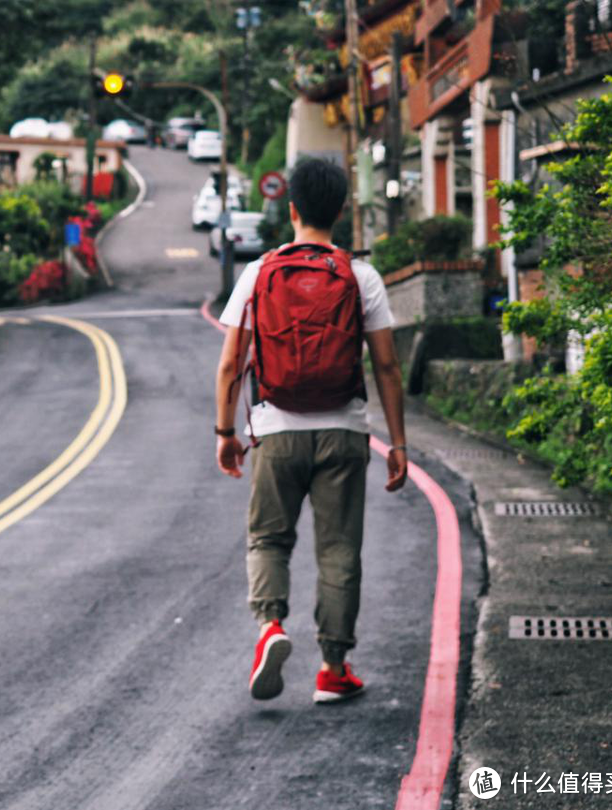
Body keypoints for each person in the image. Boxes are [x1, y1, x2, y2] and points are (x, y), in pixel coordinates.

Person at [213, 158, 408, 704]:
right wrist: (398, 442)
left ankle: (270, 626)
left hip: (275, 429)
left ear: (291, 208)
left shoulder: (258, 274)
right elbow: (388, 368)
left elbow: (231, 363)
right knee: (339, 548)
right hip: (344, 431)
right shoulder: (360, 276)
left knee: (269, 538)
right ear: (342, 211)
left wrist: (225, 431)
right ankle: (332, 667)